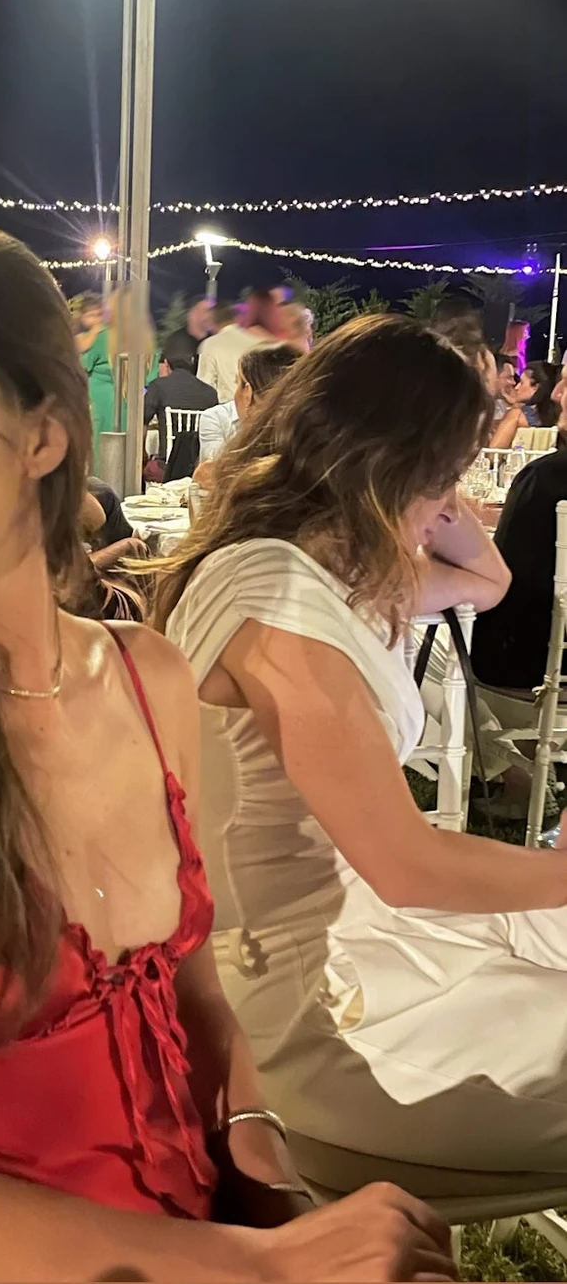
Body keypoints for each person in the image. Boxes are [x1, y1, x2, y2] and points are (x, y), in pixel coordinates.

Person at [0, 215, 454, 1284]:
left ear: (42, 433)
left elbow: (196, 995)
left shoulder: (150, 680)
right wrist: (270, 1265)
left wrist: (267, 1177)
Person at [153, 314, 567, 1173]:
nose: (451, 502)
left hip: (348, 939)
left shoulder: (320, 565)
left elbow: (489, 583)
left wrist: (431, 491)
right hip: (296, 1015)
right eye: (445, 472)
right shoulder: (280, 601)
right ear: (387, 463)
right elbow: (404, 865)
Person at [473, 361, 567, 696]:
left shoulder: (546, 478)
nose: (556, 394)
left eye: (566, 383)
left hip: (531, 672)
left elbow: (505, 587)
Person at [194, 343, 302, 489]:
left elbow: (213, 473)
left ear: (247, 393)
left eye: (237, 383)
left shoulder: (262, 458)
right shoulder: (308, 436)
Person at [143, 349, 218, 472]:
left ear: (166, 363)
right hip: (198, 466)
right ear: (193, 362)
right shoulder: (211, 393)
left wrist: (143, 455)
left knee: (147, 469)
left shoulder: (158, 386)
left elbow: (142, 421)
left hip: (166, 466)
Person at [73, 293, 115, 477]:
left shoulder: (99, 337)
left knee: (96, 439)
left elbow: (82, 365)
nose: (96, 319)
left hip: (98, 395)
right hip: (118, 395)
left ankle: (95, 479)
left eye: (98, 314)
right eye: (91, 315)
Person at [197, 304, 271, 405]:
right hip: (255, 405)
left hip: (226, 407)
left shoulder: (210, 344)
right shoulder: (256, 342)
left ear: (212, 322)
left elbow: (205, 383)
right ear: (237, 318)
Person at [491, 360, 559, 449]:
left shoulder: (516, 415)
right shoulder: (558, 416)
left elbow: (493, 452)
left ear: (535, 388)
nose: (516, 387)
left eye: (522, 383)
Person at [160, 296, 213, 375]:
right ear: (193, 313)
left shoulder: (214, 341)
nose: (210, 315)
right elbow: (164, 367)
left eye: (212, 311)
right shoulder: (175, 340)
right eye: (206, 311)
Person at [493, 352, 519, 422]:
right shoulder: (475, 405)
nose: (514, 382)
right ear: (494, 375)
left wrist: (514, 405)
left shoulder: (502, 405)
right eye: (509, 377)